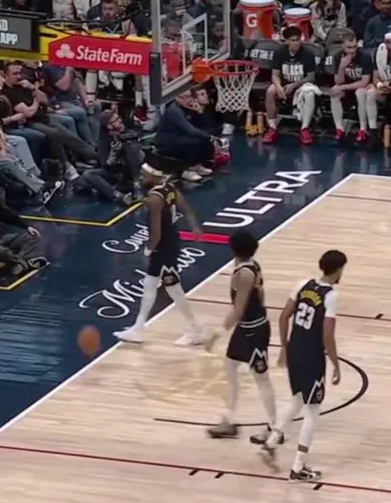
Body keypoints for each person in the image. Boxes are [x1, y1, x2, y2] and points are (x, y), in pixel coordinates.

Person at [261, 249, 348, 481]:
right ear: (338, 270)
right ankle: (298, 467)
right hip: (312, 356)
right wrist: (335, 363)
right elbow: (327, 335)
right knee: (313, 411)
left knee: (298, 398)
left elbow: (283, 317)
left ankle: (271, 443)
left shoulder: (302, 285)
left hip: (295, 351)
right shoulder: (331, 295)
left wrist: (284, 346)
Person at [114, 165, 211, 346]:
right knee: (150, 285)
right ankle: (138, 329)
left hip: (164, 247)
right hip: (170, 241)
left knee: (173, 288)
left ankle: (196, 329)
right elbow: (186, 208)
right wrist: (194, 225)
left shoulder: (154, 199)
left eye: (144, 175)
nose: (141, 178)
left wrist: (148, 250)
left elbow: (156, 233)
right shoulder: (169, 188)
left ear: (154, 176)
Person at [208, 231, 280, 442]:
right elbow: (261, 296)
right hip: (248, 327)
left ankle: (275, 428)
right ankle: (230, 421)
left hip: (254, 330)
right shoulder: (251, 265)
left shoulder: (245, 274)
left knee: (262, 378)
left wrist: (217, 334)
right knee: (230, 368)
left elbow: (238, 310)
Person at [263, 26, 318, 145]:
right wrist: (278, 86)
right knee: (270, 91)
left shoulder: (307, 54)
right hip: (284, 84)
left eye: (298, 40)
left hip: (302, 84)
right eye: (293, 40)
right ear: (286, 41)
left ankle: (304, 129)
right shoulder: (279, 52)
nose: (296, 43)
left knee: (309, 93)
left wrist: (294, 85)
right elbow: (275, 75)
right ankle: (272, 128)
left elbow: (311, 77)